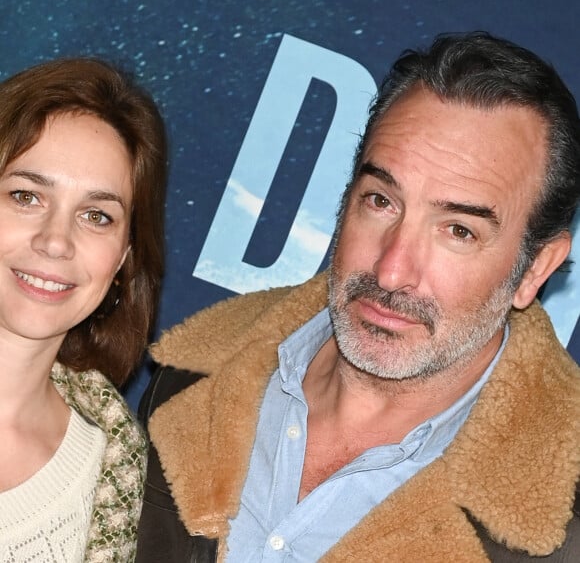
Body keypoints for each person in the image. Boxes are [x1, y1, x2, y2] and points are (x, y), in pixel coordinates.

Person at [136, 31, 580, 562]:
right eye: (381, 201)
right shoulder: (188, 381)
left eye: (458, 230)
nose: (391, 272)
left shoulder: (566, 528)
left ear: (536, 268)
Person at [0, 58, 167, 562]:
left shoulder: (112, 480)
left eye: (97, 216)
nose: (55, 242)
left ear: (123, 257)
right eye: (25, 196)